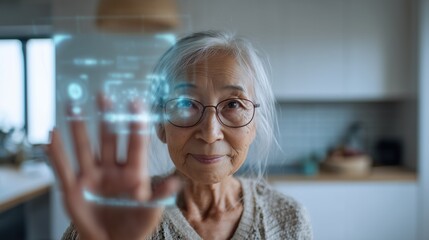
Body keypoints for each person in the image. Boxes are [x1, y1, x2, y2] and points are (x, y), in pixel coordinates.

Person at [48, 30, 312, 240]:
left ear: (254, 124)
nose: (210, 133)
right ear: (161, 125)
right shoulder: (118, 212)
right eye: (186, 104)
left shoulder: (288, 219)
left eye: (233, 104)